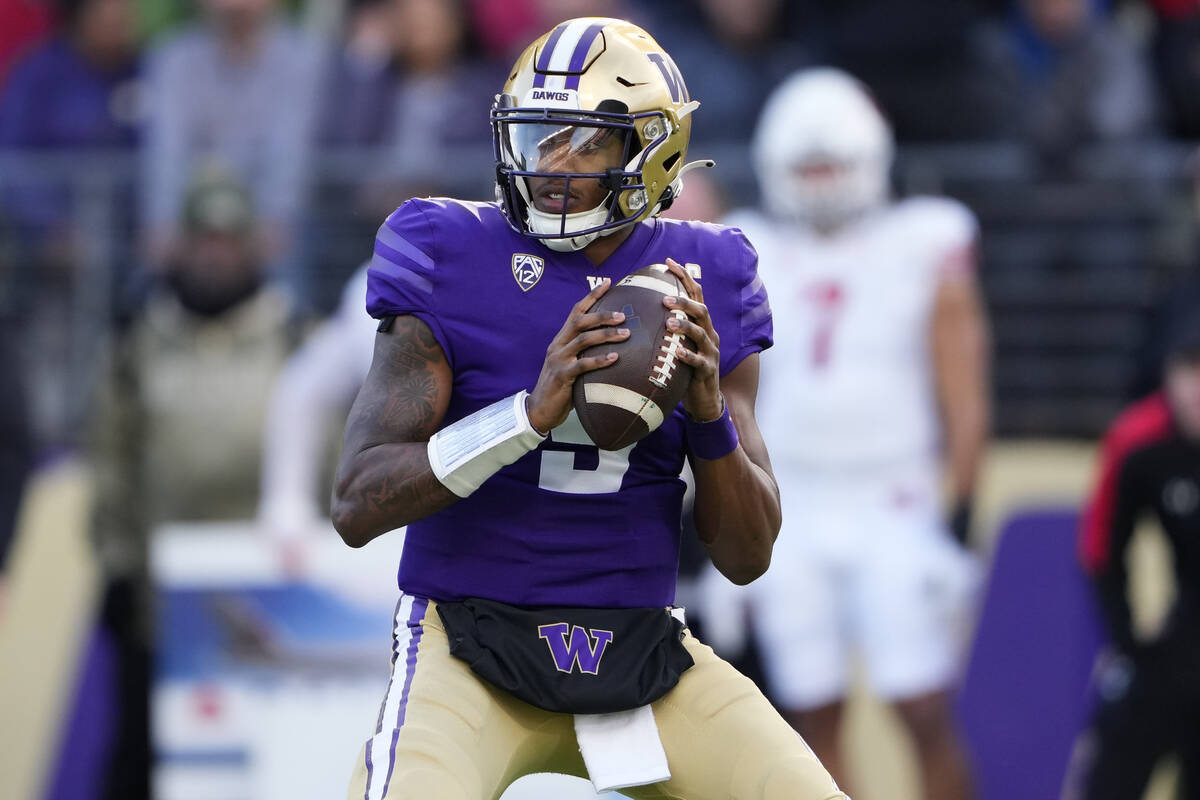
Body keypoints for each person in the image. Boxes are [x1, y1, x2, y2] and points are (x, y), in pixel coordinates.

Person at [331, 17, 846, 800]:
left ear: (652, 151)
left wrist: (707, 416)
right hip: (467, 645)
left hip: (642, 652)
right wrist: (525, 419)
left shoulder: (709, 274)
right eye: (540, 138)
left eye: (586, 141)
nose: (551, 165)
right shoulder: (448, 251)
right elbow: (356, 502)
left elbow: (746, 557)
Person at [720, 68, 989, 800]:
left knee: (922, 704)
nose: (820, 183)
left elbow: (965, 393)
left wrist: (960, 518)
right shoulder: (746, 245)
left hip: (892, 494)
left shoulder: (924, 239)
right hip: (793, 501)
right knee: (810, 714)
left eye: (832, 164)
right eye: (807, 167)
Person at [89, 168, 303, 800]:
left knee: (268, 760)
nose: (215, 253)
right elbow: (109, 464)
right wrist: (117, 567)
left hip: (273, 600)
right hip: (159, 601)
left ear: (256, 245)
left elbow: (333, 461)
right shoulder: (137, 344)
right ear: (177, 245)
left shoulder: (295, 337)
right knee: (143, 755)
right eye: (202, 239)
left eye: (229, 239)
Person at [1068, 312, 1200, 800]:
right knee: (1112, 772)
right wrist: (1127, 642)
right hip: (1177, 641)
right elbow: (1101, 547)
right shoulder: (1140, 440)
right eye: (1188, 369)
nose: (1197, 388)